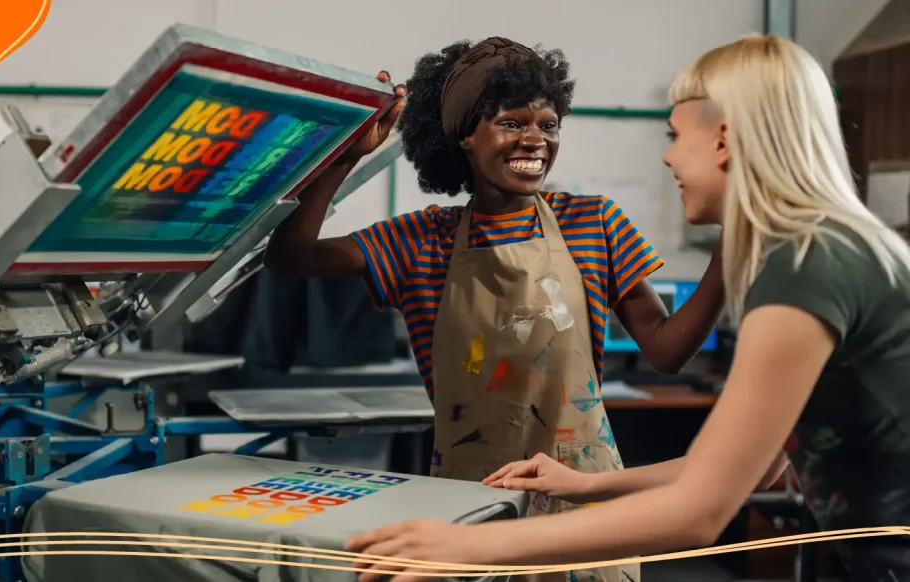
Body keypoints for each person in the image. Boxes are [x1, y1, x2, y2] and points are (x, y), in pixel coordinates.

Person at [343, 33, 910, 582]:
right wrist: (585, 485)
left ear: (723, 141)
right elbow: (760, 466)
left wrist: (471, 543)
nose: (665, 157)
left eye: (673, 134)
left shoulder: (809, 266)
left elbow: (700, 510)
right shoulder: (820, 249)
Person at [266, 37, 724, 582]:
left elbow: (667, 349)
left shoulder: (593, 222)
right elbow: (290, 256)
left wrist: (732, 247)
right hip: (470, 512)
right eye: (512, 122)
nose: (535, 139)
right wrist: (347, 154)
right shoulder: (420, 241)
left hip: (585, 511)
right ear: (464, 136)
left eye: (548, 125)